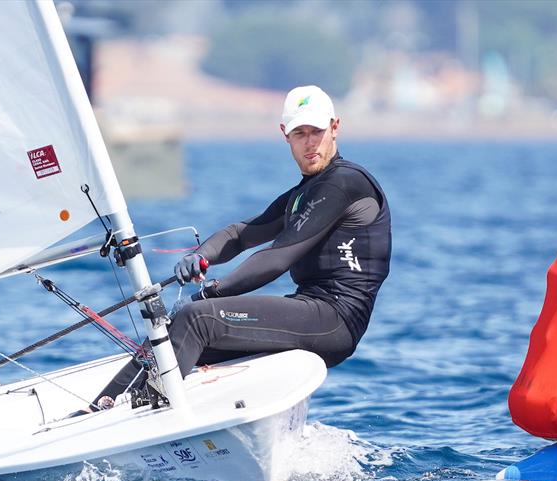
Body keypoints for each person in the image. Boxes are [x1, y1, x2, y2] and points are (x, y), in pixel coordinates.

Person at [88, 85, 391, 410]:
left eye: (316, 131)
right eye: (299, 133)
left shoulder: (344, 182)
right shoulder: (303, 194)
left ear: (334, 127)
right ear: (284, 135)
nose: (309, 142)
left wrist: (213, 292)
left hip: (336, 319)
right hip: (310, 308)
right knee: (175, 330)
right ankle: (96, 410)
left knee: (197, 319)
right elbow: (241, 235)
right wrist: (200, 255)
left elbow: (277, 257)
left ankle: (146, 415)